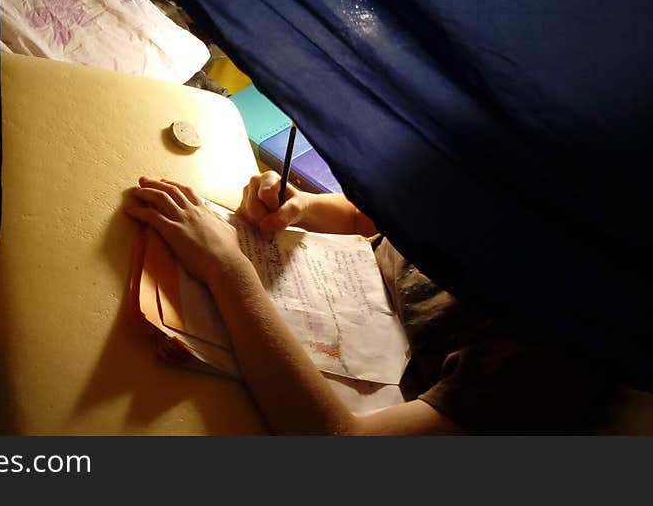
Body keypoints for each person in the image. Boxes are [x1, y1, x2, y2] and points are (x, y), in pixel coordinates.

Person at [123, 172, 613, 435]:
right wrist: (302, 205)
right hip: (323, 302)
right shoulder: (478, 175)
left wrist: (227, 270)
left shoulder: (554, 355)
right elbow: (364, 218)